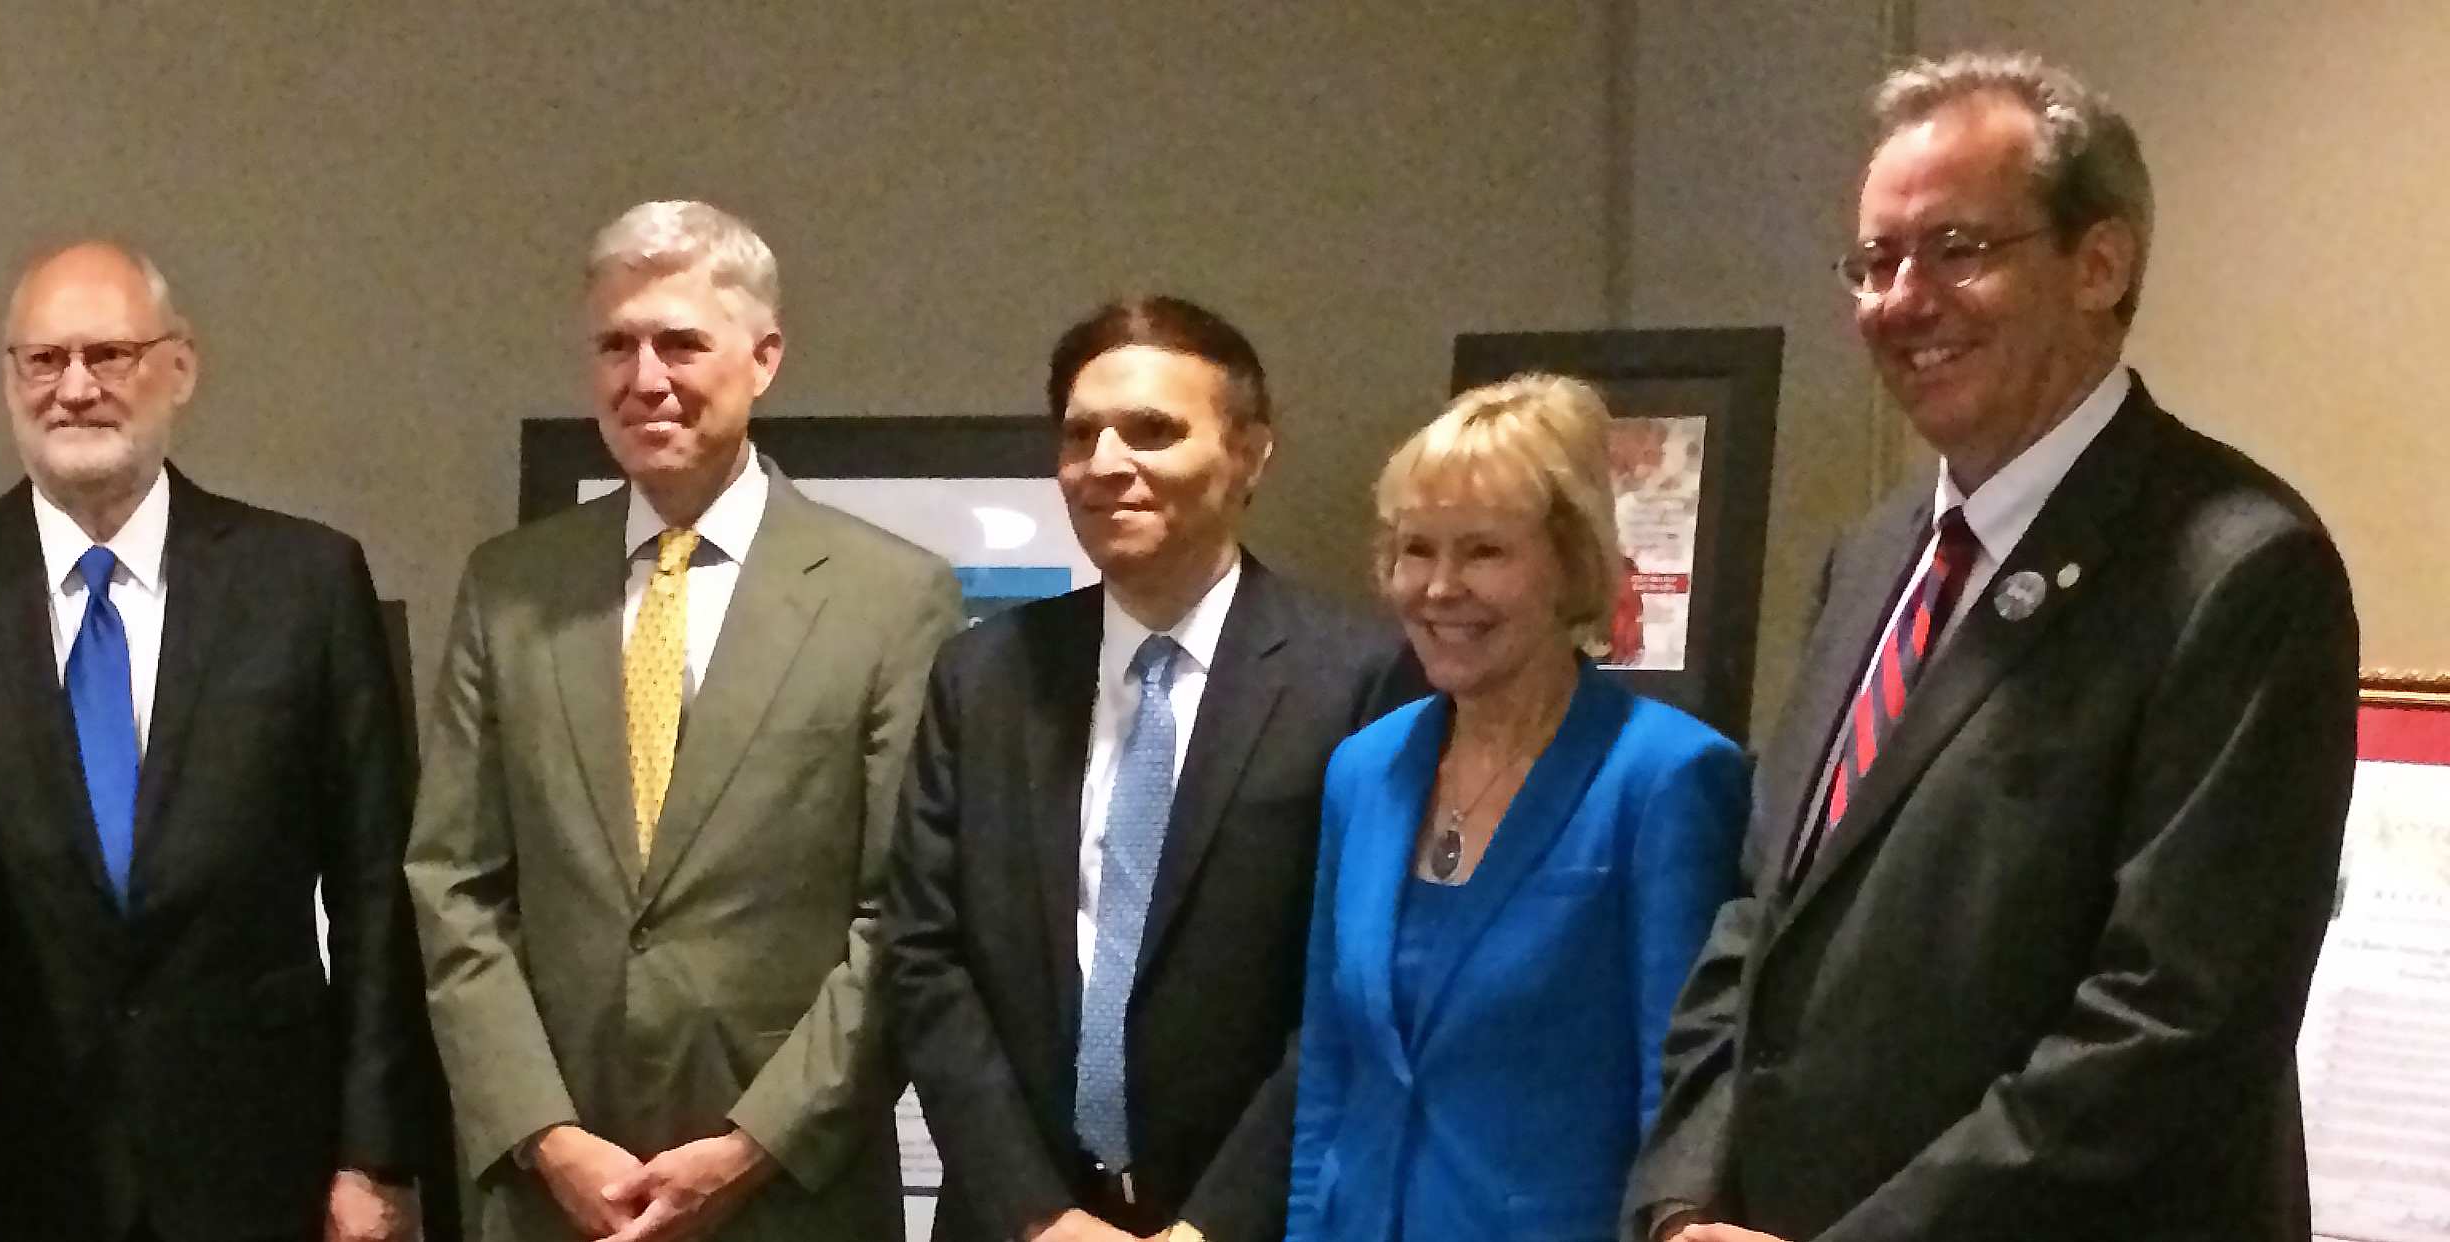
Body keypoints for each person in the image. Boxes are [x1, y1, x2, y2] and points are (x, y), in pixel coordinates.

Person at [1624, 52, 2360, 1242]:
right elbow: (1758, 919)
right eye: (1874, 262)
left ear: (2101, 263)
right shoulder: (1867, 559)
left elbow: (2171, 1028)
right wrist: (1682, 1200)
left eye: (1957, 250)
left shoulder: (2237, 570)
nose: (1903, 300)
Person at [0, 242, 437, 1242]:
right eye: (44, 360)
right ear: (8, 379)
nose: (76, 389)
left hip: (257, 1167)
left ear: (181, 369)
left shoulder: (307, 584)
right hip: (6, 1169)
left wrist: (376, 1158)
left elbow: (377, 888)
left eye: (110, 355)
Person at [407, 200, 960, 1242]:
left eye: (681, 343)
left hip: (793, 1195)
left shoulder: (892, 599)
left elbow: (902, 916)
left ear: (764, 358)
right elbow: (454, 886)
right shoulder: (510, 587)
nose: (644, 377)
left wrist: (753, 1146)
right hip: (556, 1198)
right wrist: (547, 1135)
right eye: (616, 345)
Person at [885, 295, 1428, 1242]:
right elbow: (926, 957)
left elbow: (1354, 987)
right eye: (1079, 434)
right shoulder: (984, 676)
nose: (1104, 465)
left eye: (1152, 431)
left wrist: (1215, 1225)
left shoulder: (1361, 683)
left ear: (1252, 453)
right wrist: (1037, 1215)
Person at [1284, 375, 1741, 1242]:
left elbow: (1678, 1098)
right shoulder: (1362, 770)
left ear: (1571, 563)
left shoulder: (1667, 777)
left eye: (1484, 552)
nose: (1439, 587)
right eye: (1417, 549)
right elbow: (1331, 1071)